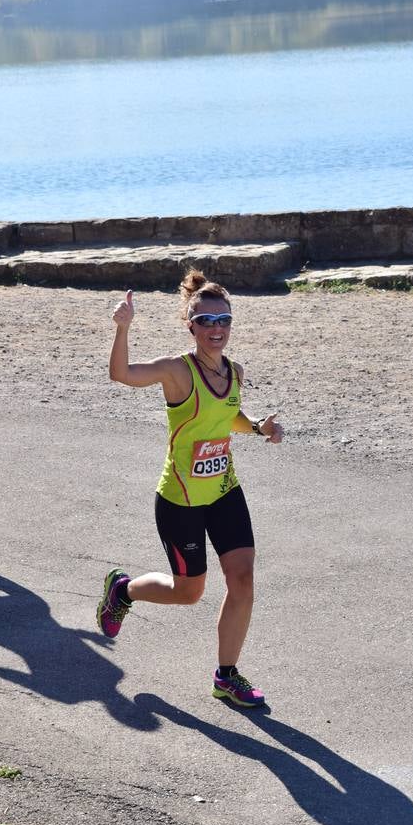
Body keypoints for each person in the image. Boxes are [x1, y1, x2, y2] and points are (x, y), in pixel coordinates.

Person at [97, 269, 284, 707]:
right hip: (180, 501)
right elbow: (120, 373)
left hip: (224, 491)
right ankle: (123, 591)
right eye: (206, 321)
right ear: (191, 324)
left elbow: (227, 417)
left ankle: (227, 675)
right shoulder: (176, 371)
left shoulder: (235, 372)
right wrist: (122, 328)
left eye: (224, 320)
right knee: (189, 592)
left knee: (242, 580)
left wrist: (257, 427)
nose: (216, 329)